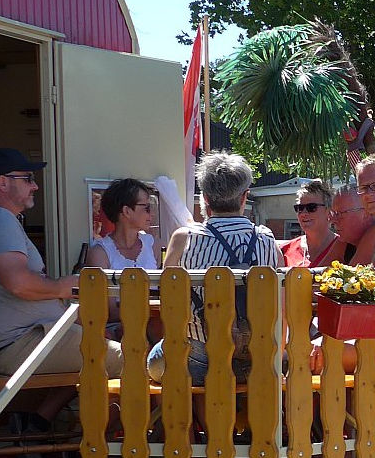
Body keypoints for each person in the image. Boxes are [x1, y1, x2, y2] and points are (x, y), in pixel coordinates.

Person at [0, 148, 122, 438]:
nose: (35, 185)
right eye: (28, 178)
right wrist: (64, 285)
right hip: (22, 344)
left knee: (106, 345)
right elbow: (18, 284)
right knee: (133, 358)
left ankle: (42, 424)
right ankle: (106, 446)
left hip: (32, 338)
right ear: (3, 183)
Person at [149, 152, 282, 386]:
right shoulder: (266, 240)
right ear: (245, 197)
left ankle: (186, 420)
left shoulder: (183, 239)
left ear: (206, 198)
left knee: (154, 360)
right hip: (255, 363)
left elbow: (168, 301)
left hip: (198, 363)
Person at [86, 178, 160, 272]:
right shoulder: (100, 253)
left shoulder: (155, 246)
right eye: (147, 208)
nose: (152, 213)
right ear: (126, 211)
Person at [278, 178, 346, 268]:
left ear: (329, 211)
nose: (304, 213)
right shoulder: (284, 250)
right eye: (300, 208)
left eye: (311, 207)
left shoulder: (345, 248)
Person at [330, 184, 375, 264]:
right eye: (333, 213)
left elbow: (352, 276)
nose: (333, 220)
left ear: (366, 212)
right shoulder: (344, 240)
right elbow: (318, 272)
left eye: (340, 213)